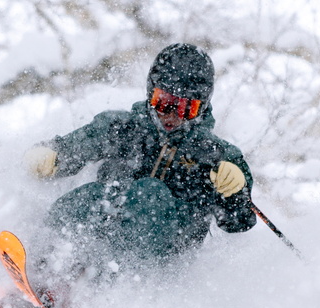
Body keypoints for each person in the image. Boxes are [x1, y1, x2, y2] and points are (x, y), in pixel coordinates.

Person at [23, 43, 256, 273]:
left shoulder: (214, 155)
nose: (171, 115)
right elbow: (84, 142)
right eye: (163, 102)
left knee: (150, 193)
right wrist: (54, 155)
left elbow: (238, 221)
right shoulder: (126, 128)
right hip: (110, 228)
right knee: (90, 196)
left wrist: (235, 191)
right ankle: (42, 263)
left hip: (165, 250)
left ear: (201, 109)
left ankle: (103, 281)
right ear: (150, 93)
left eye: (186, 108)